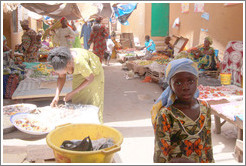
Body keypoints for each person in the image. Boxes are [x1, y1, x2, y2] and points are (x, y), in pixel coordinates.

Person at [151, 58, 214, 163]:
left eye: (190, 81)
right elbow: (160, 156)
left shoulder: (205, 107)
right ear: (171, 85)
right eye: (178, 83)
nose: (185, 87)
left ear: (197, 81)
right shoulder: (166, 114)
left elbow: (208, 145)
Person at [48, 46, 105, 123]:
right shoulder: (62, 60)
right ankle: (80, 124)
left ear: (68, 64)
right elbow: (61, 77)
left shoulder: (79, 62)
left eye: (62, 71)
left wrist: (72, 93)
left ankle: (94, 127)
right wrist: (56, 96)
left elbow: (90, 79)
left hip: (93, 74)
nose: (60, 73)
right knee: (78, 98)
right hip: (81, 71)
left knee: (91, 101)